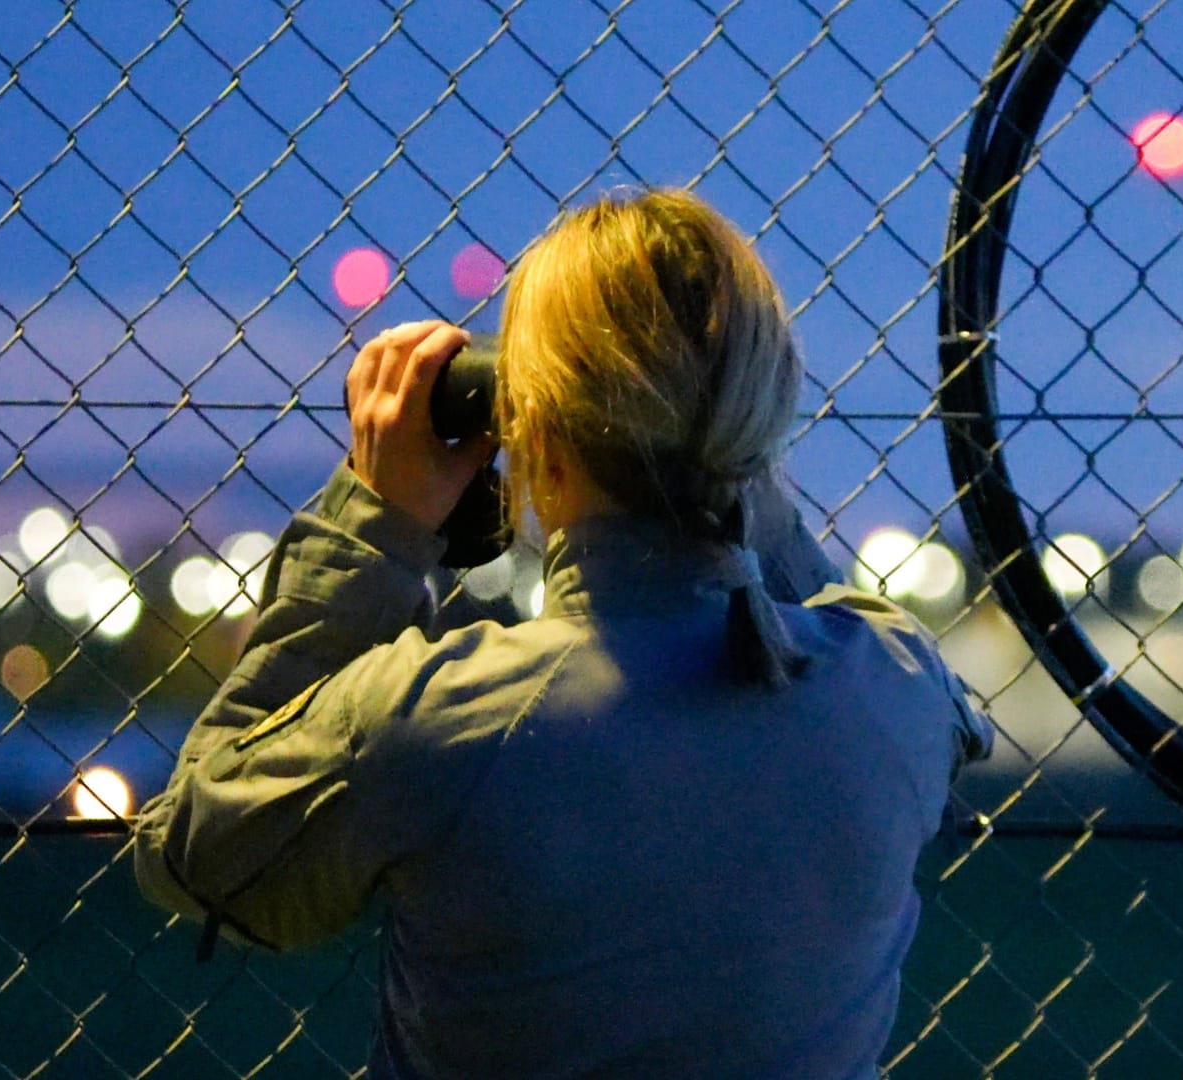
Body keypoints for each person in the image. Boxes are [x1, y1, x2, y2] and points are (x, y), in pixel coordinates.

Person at [133, 187, 993, 1078]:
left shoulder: (439, 718)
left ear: (529, 426)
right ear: (766, 412)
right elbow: (798, 618)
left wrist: (376, 525)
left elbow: (200, 855)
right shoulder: (895, 688)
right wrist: (733, 469)